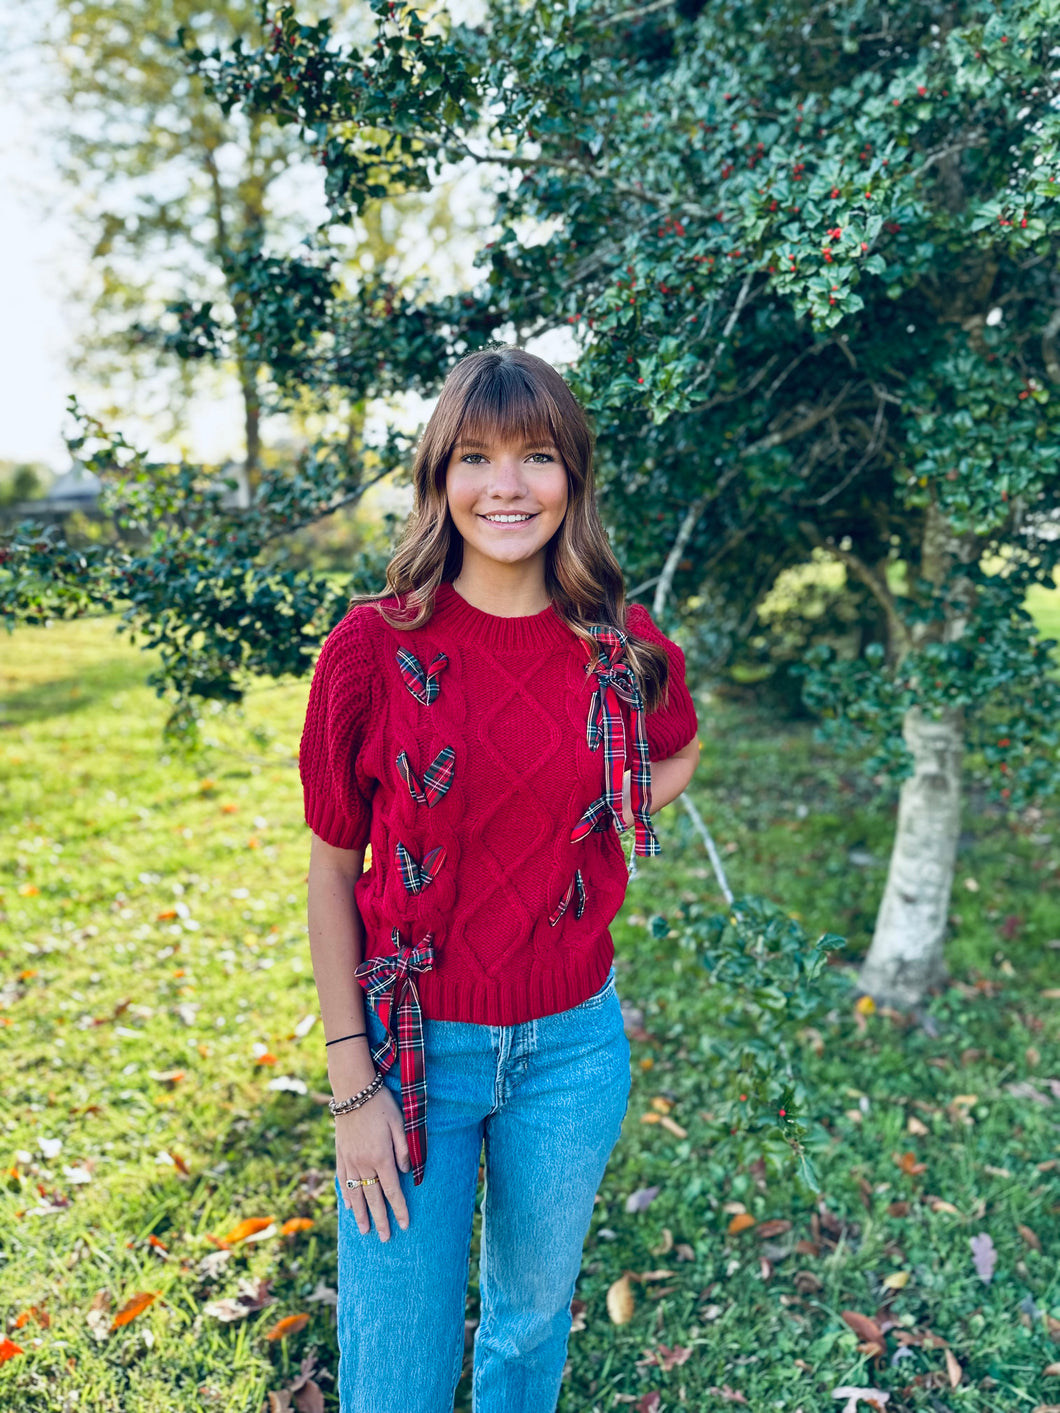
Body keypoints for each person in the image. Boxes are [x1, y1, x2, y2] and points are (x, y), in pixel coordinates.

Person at [299, 346, 700, 1413]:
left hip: (571, 1050)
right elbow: (332, 872)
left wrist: (615, 802)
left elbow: (680, 742)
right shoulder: (370, 653)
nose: (506, 487)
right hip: (407, 1050)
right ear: (440, 478)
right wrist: (353, 1085)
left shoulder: (619, 641)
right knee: (396, 1366)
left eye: (535, 458)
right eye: (475, 457)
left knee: (525, 1334)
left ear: (572, 476)